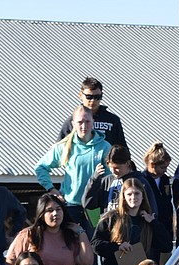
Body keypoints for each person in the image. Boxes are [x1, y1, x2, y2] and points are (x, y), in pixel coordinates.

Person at [91, 178, 170, 265]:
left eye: (137, 194)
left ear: (143, 196)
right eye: (129, 194)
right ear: (123, 196)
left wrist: (153, 223)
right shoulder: (110, 218)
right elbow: (95, 244)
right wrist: (117, 247)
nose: (133, 198)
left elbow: (167, 245)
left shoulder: (149, 220)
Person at [34, 106, 111, 235]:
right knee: (69, 243)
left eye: (87, 121)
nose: (84, 126)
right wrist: (51, 189)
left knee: (95, 243)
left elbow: (111, 178)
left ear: (93, 122)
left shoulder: (104, 147)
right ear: (73, 123)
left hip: (94, 208)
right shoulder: (64, 147)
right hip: (71, 206)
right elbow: (40, 167)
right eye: (80, 122)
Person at [5, 191, 94, 265]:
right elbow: (10, 262)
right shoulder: (28, 234)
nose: (55, 214)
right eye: (50, 210)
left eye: (58, 209)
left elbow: (87, 262)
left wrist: (81, 233)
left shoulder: (70, 236)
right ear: (42, 215)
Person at [83, 144, 158, 216]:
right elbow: (88, 204)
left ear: (128, 163)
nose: (113, 171)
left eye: (117, 168)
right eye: (111, 167)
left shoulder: (139, 181)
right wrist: (94, 179)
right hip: (109, 226)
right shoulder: (107, 181)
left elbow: (151, 209)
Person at [57, 76, 126, 150]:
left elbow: (122, 148)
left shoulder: (112, 120)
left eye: (97, 97)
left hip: (106, 159)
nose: (93, 100)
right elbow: (59, 149)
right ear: (80, 95)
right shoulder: (72, 121)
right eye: (89, 97)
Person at [142, 142, 174, 255]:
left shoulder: (164, 180)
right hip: (150, 227)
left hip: (164, 225)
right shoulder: (143, 180)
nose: (165, 170)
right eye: (162, 167)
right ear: (152, 164)